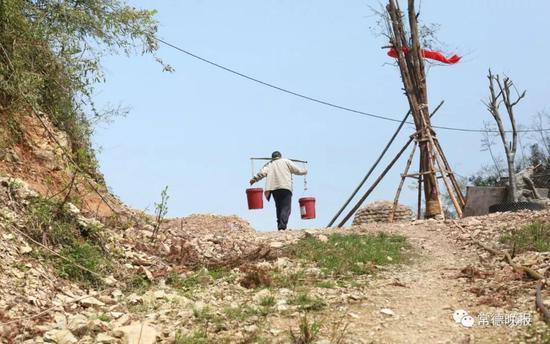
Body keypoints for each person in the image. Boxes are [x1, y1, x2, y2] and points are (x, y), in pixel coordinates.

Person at [249, 151, 307, 230]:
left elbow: (262, 173)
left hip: (274, 189)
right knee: (286, 207)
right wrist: (305, 171)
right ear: (280, 156)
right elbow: (297, 170)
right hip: (285, 187)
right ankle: (282, 226)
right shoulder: (286, 161)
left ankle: (280, 225)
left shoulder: (269, 164)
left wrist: (254, 179)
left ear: (273, 157)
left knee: (279, 207)